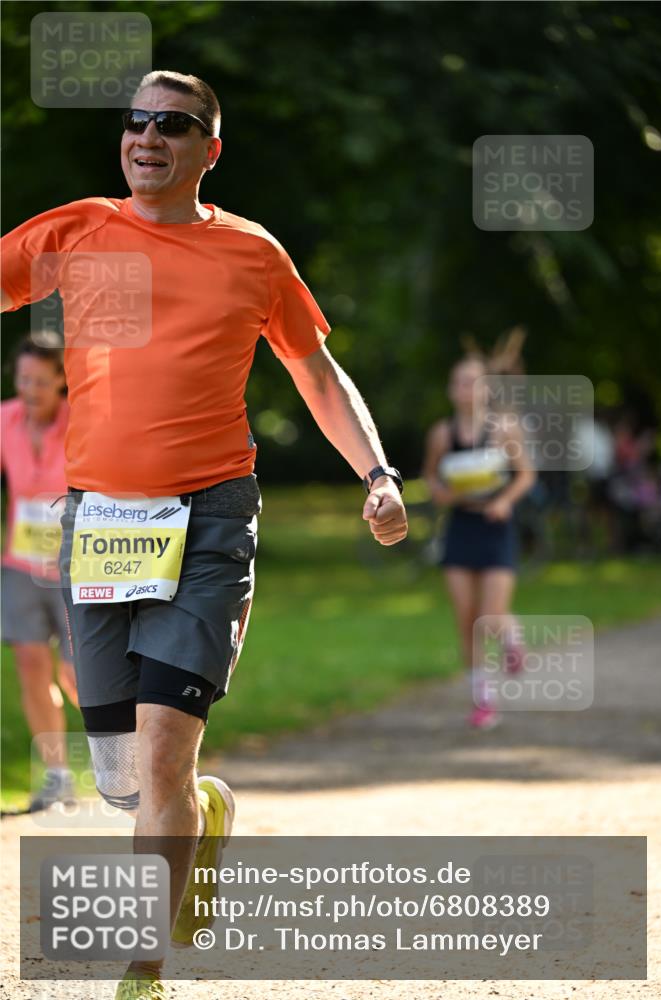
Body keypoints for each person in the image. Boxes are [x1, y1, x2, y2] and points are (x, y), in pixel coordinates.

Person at [1, 70, 408, 998]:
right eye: (135, 121)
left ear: (208, 149)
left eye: (174, 124)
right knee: (122, 781)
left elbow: (315, 373)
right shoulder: (76, 230)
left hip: (210, 518)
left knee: (163, 752)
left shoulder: (252, 255)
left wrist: (377, 474)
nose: (148, 136)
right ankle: (203, 810)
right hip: (98, 519)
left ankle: (143, 968)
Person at [422, 352, 535, 730]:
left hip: (496, 529)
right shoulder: (442, 434)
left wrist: (503, 501)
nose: (465, 389)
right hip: (461, 528)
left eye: (472, 381)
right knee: (467, 619)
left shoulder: (504, 428)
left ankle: (512, 639)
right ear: (451, 390)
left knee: (490, 616)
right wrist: (442, 492)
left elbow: (525, 475)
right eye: (459, 382)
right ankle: (483, 698)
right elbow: (432, 478)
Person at [1, 332, 79, 810]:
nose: (30, 390)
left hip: (76, 567)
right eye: (22, 379)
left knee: (81, 674)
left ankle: (129, 767)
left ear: (61, 381)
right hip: (20, 563)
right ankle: (56, 776)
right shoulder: (5, 419)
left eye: (39, 381)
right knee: (31, 665)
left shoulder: (82, 422)